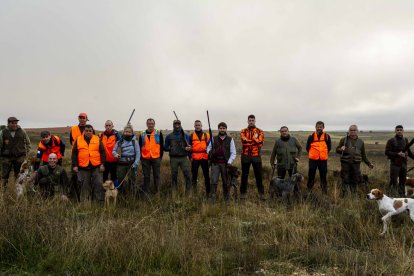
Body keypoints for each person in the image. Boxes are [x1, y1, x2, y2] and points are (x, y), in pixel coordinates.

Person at [336, 125, 374, 196]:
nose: (352, 132)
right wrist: (341, 149)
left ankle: (354, 196)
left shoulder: (361, 142)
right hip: (345, 164)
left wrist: (369, 164)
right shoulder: (343, 140)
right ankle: (345, 196)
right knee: (345, 179)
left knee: (355, 180)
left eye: (354, 130)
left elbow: (363, 155)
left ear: (357, 131)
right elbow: (337, 150)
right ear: (348, 131)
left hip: (356, 164)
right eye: (351, 130)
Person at [71, 124, 106, 201]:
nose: (88, 132)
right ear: (84, 131)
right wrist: (75, 165)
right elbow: (74, 153)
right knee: (84, 185)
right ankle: (85, 202)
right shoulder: (78, 139)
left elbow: (103, 152)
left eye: (90, 131)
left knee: (98, 184)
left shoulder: (97, 139)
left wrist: (102, 164)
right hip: (83, 167)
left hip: (96, 166)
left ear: (92, 131)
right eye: (86, 131)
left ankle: (100, 202)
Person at [207, 122, 236, 201]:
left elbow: (233, 153)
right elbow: (208, 148)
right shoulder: (214, 138)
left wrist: (229, 162)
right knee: (213, 181)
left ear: (226, 129)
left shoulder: (230, 139)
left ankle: (226, 199)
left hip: (225, 164)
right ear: (218, 129)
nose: (222, 129)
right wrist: (210, 152)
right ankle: (212, 198)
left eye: (223, 128)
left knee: (226, 182)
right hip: (215, 163)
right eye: (220, 128)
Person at [0, 117, 31, 191]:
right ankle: (3, 191)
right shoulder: (3, 132)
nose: (14, 124)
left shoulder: (22, 131)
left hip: (20, 157)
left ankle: (18, 191)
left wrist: (25, 154)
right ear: (8, 123)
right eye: (12, 123)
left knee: (19, 175)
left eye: (16, 123)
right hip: (6, 157)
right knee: (4, 175)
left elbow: (28, 143)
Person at [240, 115, 265, 199]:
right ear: (247, 121)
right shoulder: (243, 131)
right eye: (250, 120)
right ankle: (243, 193)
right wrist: (254, 140)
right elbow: (244, 142)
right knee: (244, 175)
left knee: (258, 175)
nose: (251, 122)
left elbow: (260, 143)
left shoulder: (260, 131)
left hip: (256, 156)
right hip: (245, 156)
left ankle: (261, 194)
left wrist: (251, 141)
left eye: (252, 120)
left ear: (255, 121)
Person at [385, 125, 414, 196]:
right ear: (395, 131)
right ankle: (391, 195)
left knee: (403, 181)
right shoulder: (391, 141)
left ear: (403, 131)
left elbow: (409, 152)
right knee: (393, 181)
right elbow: (387, 152)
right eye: (397, 130)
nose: (399, 131)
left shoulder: (405, 140)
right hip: (395, 164)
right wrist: (398, 154)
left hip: (404, 164)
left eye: (401, 130)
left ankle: (402, 196)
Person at [164, 120, 192, 195]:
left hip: (184, 158)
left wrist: (189, 148)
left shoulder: (186, 135)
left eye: (178, 124)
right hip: (174, 158)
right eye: (175, 124)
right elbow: (165, 147)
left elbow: (189, 146)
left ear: (180, 125)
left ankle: (188, 193)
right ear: (173, 125)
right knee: (174, 176)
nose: (177, 126)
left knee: (187, 175)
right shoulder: (169, 136)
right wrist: (171, 149)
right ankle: (174, 193)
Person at [113, 125, 140, 196]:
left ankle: (132, 196)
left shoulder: (135, 142)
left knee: (132, 182)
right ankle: (121, 196)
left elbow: (138, 154)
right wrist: (116, 155)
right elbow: (113, 151)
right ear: (123, 132)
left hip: (131, 165)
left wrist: (135, 163)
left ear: (132, 133)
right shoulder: (119, 142)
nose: (127, 133)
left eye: (129, 132)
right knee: (120, 181)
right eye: (126, 131)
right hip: (121, 165)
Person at [138, 118, 164, 195]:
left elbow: (161, 146)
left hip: (156, 158)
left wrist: (160, 157)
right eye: (149, 123)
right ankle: (146, 192)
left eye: (152, 123)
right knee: (146, 176)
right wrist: (141, 157)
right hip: (145, 158)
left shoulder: (158, 133)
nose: (150, 125)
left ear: (154, 124)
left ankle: (157, 192)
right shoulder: (142, 134)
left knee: (157, 175)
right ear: (147, 124)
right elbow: (139, 146)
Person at [306, 121, 331, 194]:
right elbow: (307, 147)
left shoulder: (326, 136)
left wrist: (322, 154)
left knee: (323, 176)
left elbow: (329, 147)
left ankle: (324, 191)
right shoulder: (311, 136)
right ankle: (309, 191)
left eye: (321, 127)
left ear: (323, 127)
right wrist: (313, 154)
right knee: (311, 175)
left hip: (323, 160)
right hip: (313, 160)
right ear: (315, 127)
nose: (319, 128)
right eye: (318, 127)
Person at [189, 120, 210, 197]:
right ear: (194, 126)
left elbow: (210, 146)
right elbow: (189, 147)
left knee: (206, 176)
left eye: (199, 125)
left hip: (204, 158)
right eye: (196, 125)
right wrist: (190, 156)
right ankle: (194, 192)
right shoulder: (191, 136)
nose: (198, 126)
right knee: (194, 176)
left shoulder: (206, 135)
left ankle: (208, 192)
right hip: (195, 158)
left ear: (201, 126)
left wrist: (209, 155)